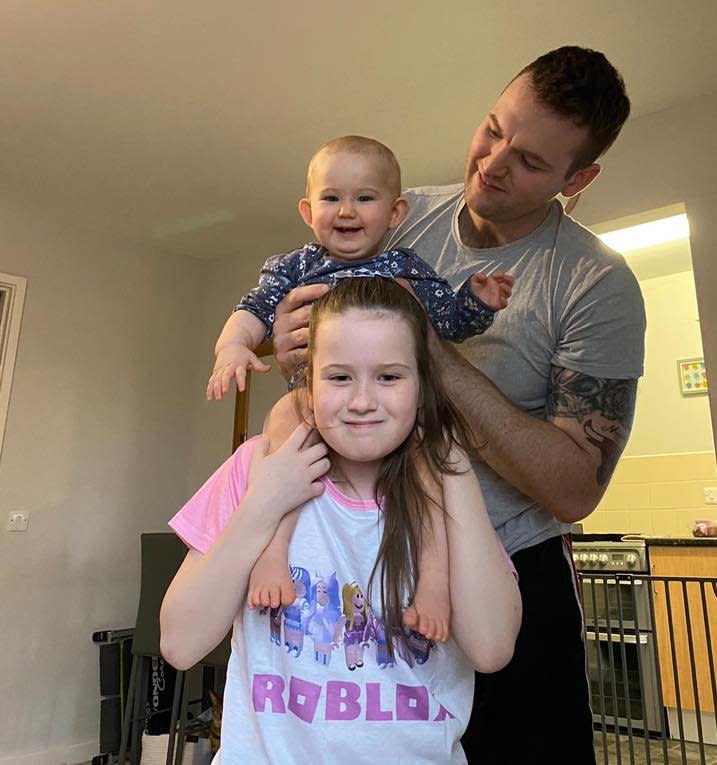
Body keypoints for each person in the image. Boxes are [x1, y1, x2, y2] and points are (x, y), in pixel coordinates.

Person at [267, 47, 647, 765]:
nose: (493, 163)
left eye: (531, 161)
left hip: (509, 568)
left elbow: (573, 488)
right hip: (373, 560)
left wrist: (432, 349)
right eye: (492, 129)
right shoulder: (395, 217)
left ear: (579, 178)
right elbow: (312, 356)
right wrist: (291, 339)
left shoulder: (593, 282)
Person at [161, 277, 522, 765]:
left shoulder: (447, 492)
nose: (361, 401)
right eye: (339, 377)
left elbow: (492, 648)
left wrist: (451, 465)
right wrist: (265, 502)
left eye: (390, 377)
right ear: (308, 385)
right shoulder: (255, 468)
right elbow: (180, 644)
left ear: (423, 387)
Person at [205, 135, 514, 644]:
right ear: (308, 210)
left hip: (395, 412)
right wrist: (232, 349)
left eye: (364, 198)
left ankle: (434, 583)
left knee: (434, 472)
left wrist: (477, 302)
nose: (346, 211)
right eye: (331, 198)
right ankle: (271, 552)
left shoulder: (406, 269)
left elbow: (448, 324)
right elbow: (253, 311)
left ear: (395, 213)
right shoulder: (296, 267)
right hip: (317, 403)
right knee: (281, 421)